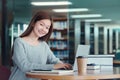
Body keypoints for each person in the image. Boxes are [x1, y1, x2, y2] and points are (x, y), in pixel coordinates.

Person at [9, 11, 72, 80]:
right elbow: (25, 66)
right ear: (33, 23)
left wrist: (64, 66)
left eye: (47, 28)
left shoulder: (43, 45)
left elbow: (54, 60)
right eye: (41, 24)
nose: (43, 29)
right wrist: (53, 66)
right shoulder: (19, 42)